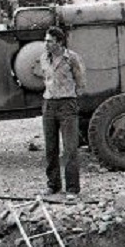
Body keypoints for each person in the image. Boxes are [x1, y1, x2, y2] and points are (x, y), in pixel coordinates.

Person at [39, 26, 86, 197]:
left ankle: (72, 188)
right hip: (49, 104)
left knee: (70, 148)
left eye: (49, 41)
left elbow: (81, 82)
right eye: (46, 41)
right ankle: (53, 185)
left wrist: (71, 98)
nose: (46, 44)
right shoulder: (44, 58)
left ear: (59, 42)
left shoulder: (72, 58)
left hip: (67, 104)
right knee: (50, 148)